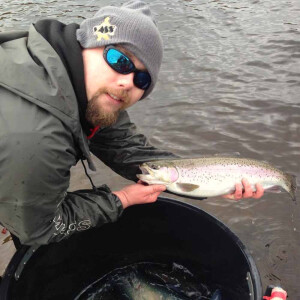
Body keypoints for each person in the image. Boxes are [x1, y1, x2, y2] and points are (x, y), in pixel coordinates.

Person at [0, 1, 264, 247]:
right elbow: (39, 228)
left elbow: (127, 148)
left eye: (142, 80)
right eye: (120, 60)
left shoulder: (72, 82)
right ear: (86, 43)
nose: (127, 82)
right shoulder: (38, 134)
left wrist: (218, 182)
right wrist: (122, 199)